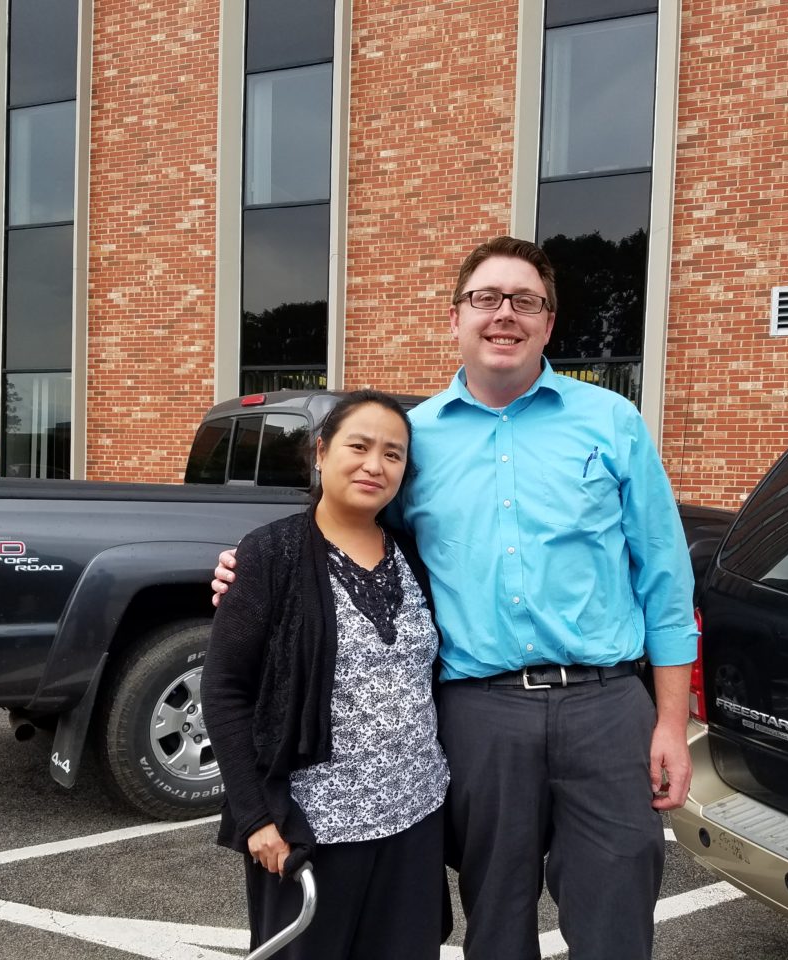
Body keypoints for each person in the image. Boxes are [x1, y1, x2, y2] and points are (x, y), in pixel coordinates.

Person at [215, 237, 696, 960]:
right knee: (495, 922)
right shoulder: (417, 441)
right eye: (486, 299)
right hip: (479, 714)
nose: (505, 314)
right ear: (455, 318)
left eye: (525, 301)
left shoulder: (612, 421)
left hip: (606, 708)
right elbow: (351, 530)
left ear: (548, 322)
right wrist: (253, 569)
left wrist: (670, 723)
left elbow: (665, 577)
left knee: (618, 919)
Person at [201, 390, 449, 960]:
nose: (374, 465)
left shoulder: (414, 556)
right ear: (320, 452)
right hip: (310, 832)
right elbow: (224, 690)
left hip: (414, 819)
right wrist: (256, 817)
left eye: (392, 454)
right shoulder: (271, 553)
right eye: (358, 446)